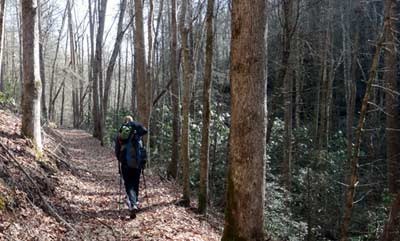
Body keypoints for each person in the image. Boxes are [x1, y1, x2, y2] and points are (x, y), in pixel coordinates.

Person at [115, 115, 148, 218]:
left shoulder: (121, 135)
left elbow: (117, 150)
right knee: (135, 183)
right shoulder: (138, 134)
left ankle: (132, 203)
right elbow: (142, 148)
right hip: (137, 163)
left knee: (128, 184)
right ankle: (135, 202)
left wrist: (120, 160)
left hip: (125, 163)